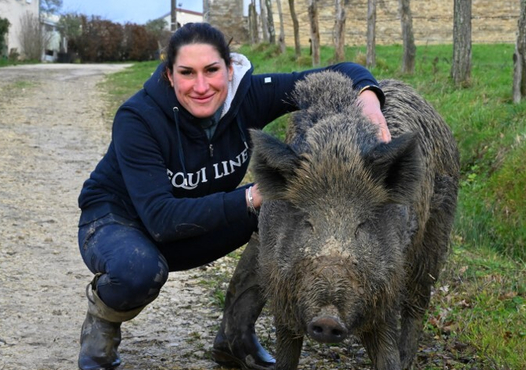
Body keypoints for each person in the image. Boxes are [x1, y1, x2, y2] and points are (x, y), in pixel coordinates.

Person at [75, 22, 389, 370]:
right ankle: (101, 324)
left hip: (193, 220)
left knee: (279, 210)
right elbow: (161, 219)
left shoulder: (249, 95)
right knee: (137, 269)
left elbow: (340, 74)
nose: (201, 86)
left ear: (229, 68)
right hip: (119, 222)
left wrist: (369, 102)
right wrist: (250, 197)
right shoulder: (138, 118)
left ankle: (235, 335)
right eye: (186, 73)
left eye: (212, 70)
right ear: (169, 75)